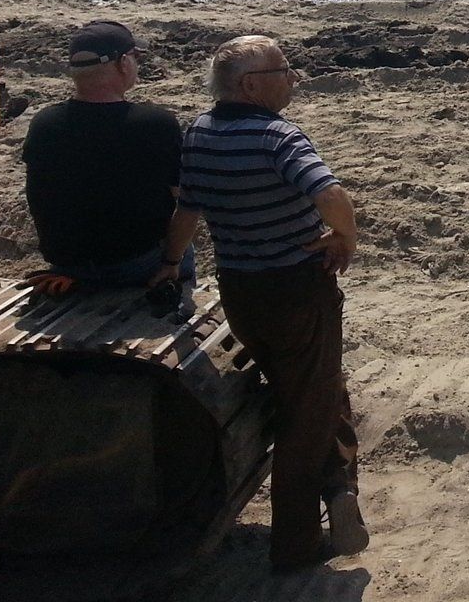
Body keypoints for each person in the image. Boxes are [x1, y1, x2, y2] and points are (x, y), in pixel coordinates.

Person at [156, 34, 368, 572]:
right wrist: (346, 237)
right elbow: (330, 194)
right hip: (296, 289)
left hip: (241, 291)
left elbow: (187, 213)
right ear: (251, 85)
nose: (294, 78)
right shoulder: (277, 136)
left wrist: (170, 261)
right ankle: (297, 544)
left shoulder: (199, 132)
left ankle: (340, 487)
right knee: (306, 415)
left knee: (317, 389)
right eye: (284, 70)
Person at [21, 20, 192, 294]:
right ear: (123, 63)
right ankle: (178, 300)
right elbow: (186, 203)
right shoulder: (155, 124)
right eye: (136, 57)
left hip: (68, 264)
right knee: (183, 245)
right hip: (134, 264)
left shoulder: (44, 124)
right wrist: (172, 260)